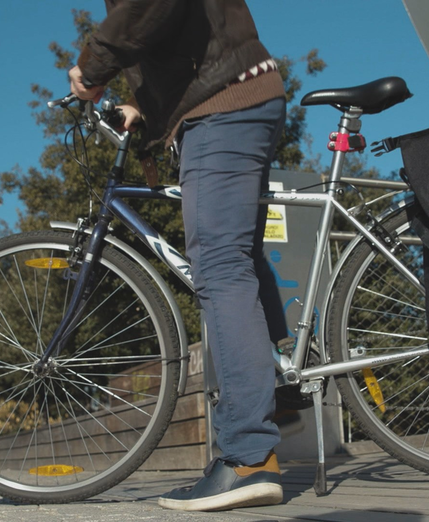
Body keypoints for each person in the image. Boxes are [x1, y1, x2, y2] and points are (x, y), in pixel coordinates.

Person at [69, 0, 288, 512]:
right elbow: (179, 36)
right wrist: (144, 107)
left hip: (224, 102)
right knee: (239, 261)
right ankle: (282, 409)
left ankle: (249, 457)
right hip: (231, 95)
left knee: (219, 265)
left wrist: (94, 65)